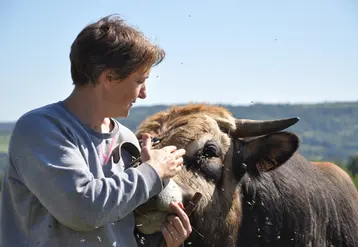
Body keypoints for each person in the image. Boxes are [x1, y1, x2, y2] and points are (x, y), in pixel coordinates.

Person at [0, 14, 192, 247]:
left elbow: (119, 229)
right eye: (140, 81)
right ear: (109, 77)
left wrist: (166, 240)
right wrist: (153, 171)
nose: (144, 94)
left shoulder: (126, 139)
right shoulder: (40, 130)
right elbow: (82, 209)